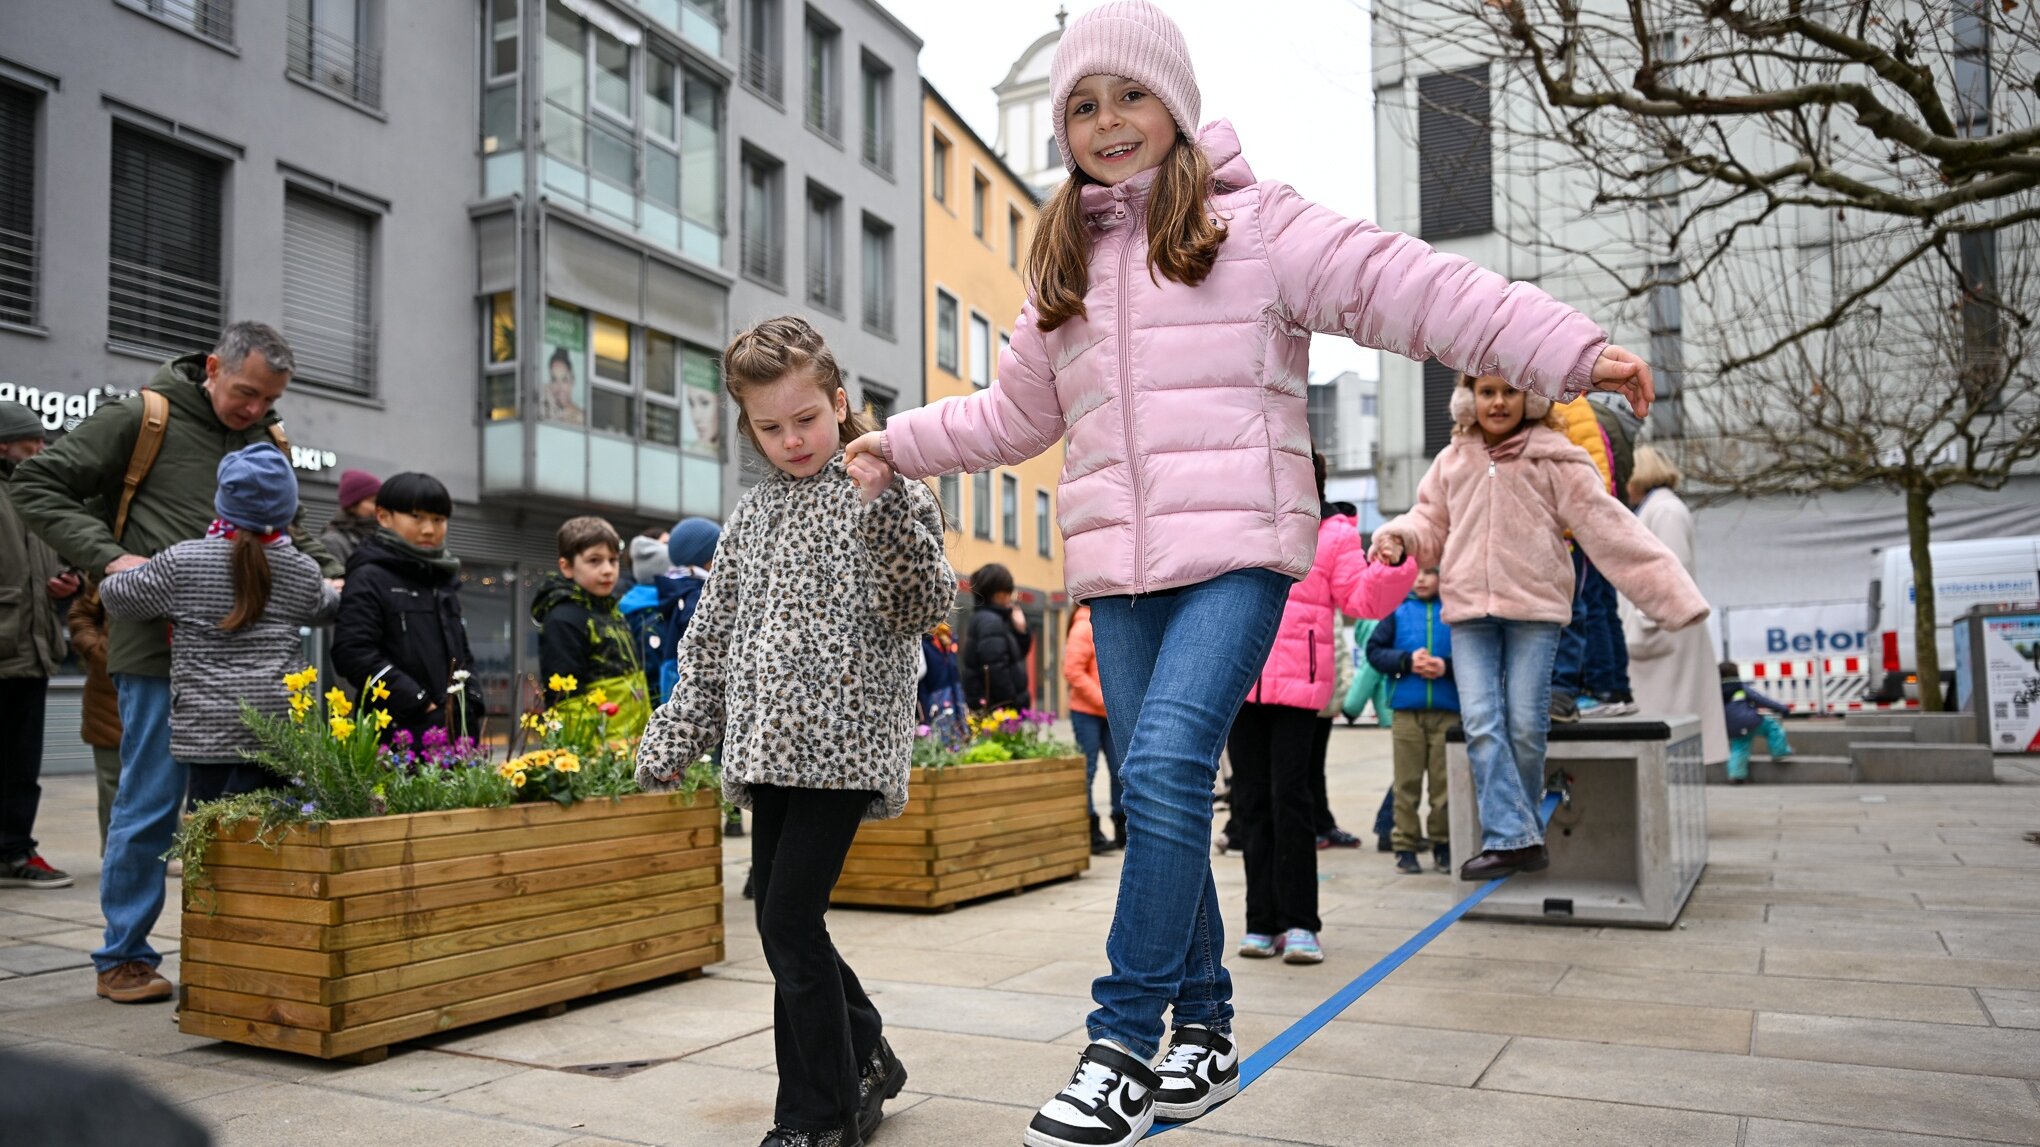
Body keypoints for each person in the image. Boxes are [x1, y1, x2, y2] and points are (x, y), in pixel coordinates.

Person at [843, 4, 1657, 1136]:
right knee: (1154, 786)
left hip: (1237, 552)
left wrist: (1563, 347)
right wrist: (900, 442)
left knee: (1170, 763)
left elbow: (1408, 285)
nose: (1108, 122)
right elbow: (1012, 415)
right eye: (1082, 104)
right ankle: (1209, 1029)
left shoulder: (1257, 227)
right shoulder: (1064, 268)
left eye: (1129, 95)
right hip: (1120, 576)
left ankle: (1121, 1040)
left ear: (1174, 103)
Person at [635, 316, 954, 1147]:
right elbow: (710, 637)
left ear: (840, 401)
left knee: (784, 920)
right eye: (770, 427)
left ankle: (816, 1115)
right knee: (789, 918)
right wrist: (677, 730)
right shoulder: (752, 513)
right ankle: (868, 1050)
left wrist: (882, 503)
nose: (792, 440)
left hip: (846, 742)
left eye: (806, 419)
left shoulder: (893, 486)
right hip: (767, 745)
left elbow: (922, 603)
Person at [12, 321, 342, 1006]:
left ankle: (245, 945)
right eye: (245, 392)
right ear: (213, 366)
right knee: (150, 803)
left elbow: (297, 532)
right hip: (156, 653)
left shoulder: (267, 438)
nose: (254, 410)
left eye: (269, 398)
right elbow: (37, 483)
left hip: (248, 676)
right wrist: (107, 557)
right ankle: (125, 955)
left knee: (254, 811)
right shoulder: (143, 416)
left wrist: (329, 572)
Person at [1372, 375, 1705, 883]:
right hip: (1469, 612)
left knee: (1526, 726)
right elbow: (1430, 523)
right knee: (1482, 722)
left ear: (1528, 397)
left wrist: (1673, 598)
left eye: (1508, 391)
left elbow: (1608, 527)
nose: (1498, 402)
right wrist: (1400, 535)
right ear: (1470, 399)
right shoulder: (1453, 461)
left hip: (1535, 609)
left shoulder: (1556, 455)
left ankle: (1517, 838)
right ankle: (1515, 838)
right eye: (1486, 392)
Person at [1228, 453, 1413, 965]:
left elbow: (1362, 601)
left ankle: (1300, 923)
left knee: (1292, 801)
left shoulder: (1333, 533)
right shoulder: (1238, 526)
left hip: (1300, 688)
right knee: (1249, 805)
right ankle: (1260, 921)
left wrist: (1391, 565)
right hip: (1239, 681)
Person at [100, 444, 339, 802]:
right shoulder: (301, 568)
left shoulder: (184, 560)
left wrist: (131, 568)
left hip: (207, 730)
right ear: (288, 508)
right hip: (278, 727)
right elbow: (326, 606)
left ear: (223, 501)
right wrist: (334, 588)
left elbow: (116, 596)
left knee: (214, 840)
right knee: (274, 838)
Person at [331, 472, 485, 745]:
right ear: (384, 517)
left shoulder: (441, 578)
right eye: (417, 517)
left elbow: (462, 652)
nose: (429, 529)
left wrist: (471, 700)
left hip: (456, 731)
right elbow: (353, 652)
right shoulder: (369, 576)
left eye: (438, 520)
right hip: (398, 734)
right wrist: (418, 702)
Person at [1, 400, 77, 889]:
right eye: (33, 440)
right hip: (6, 642)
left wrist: (67, 583)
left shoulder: (34, 494)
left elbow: (53, 565)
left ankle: (14, 850)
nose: (41, 447)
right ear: (5, 443)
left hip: (31, 650)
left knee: (21, 764)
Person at [1623, 447, 1730, 766]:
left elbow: (1672, 573)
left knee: (1666, 727)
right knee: (1662, 730)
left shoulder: (1665, 511)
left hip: (1663, 633)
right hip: (1662, 634)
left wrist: (1644, 623)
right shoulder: (1658, 508)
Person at [1366, 566, 1458, 875]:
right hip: (1406, 712)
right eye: (1416, 573)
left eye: (1429, 573)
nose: (1420, 579)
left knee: (1444, 787)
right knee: (1407, 784)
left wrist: (1445, 667)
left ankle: (1443, 844)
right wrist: (1406, 661)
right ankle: (1404, 845)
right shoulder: (1396, 610)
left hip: (1448, 713)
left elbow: (1475, 655)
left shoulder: (1455, 610)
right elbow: (1375, 652)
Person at [533, 515, 648, 738]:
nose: (607, 570)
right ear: (566, 567)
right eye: (594, 561)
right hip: (599, 749)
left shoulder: (612, 610)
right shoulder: (563, 619)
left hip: (631, 742)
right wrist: (590, 754)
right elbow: (567, 701)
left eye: (613, 560)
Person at [1547, 396, 1622, 723]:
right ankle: (1571, 685)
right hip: (1546, 530)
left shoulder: (1569, 405)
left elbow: (1595, 467)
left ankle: (1569, 687)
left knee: (1578, 610)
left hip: (1567, 533)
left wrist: (1584, 523)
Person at [67, 587, 123, 850]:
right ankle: (117, 850)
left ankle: (174, 848)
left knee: (169, 777)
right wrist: (98, 652)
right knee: (113, 778)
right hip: (108, 691)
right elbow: (81, 614)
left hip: (168, 682)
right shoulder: (109, 571)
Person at [1065, 603, 1123, 854]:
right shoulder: (1083, 625)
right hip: (1087, 713)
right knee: (1087, 772)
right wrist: (1104, 699)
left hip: (1110, 713)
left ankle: (1124, 828)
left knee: (1121, 771)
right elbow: (1072, 671)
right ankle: (1091, 832)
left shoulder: (1113, 621)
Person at [655, 517, 723, 705]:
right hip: (688, 682)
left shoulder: (678, 588)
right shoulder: (697, 595)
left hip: (674, 673)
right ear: (709, 559)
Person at [962, 562, 1032, 712]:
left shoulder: (995, 618)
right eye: (1008, 592)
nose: (1010, 597)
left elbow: (1016, 656)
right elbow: (996, 669)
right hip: (998, 711)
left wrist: (1021, 630)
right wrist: (1012, 703)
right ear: (998, 593)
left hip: (994, 707)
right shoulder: (990, 621)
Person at [1720, 661, 1794, 784]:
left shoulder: (1717, 692)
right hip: (1750, 721)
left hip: (1731, 727)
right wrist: (1782, 709)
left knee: (1739, 746)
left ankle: (1736, 775)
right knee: (1772, 726)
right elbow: (1761, 700)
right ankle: (1779, 751)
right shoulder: (1740, 687)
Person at [318, 468, 381, 569]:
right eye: (373, 502)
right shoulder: (333, 542)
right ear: (352, 505)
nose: (379, 508)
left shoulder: (380, 536)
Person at [542, 347, 586, 425]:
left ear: (572, 381)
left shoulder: (581, 417)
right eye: (554, 380)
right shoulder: (546, 411)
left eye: (564, 380)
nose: (559, 387)